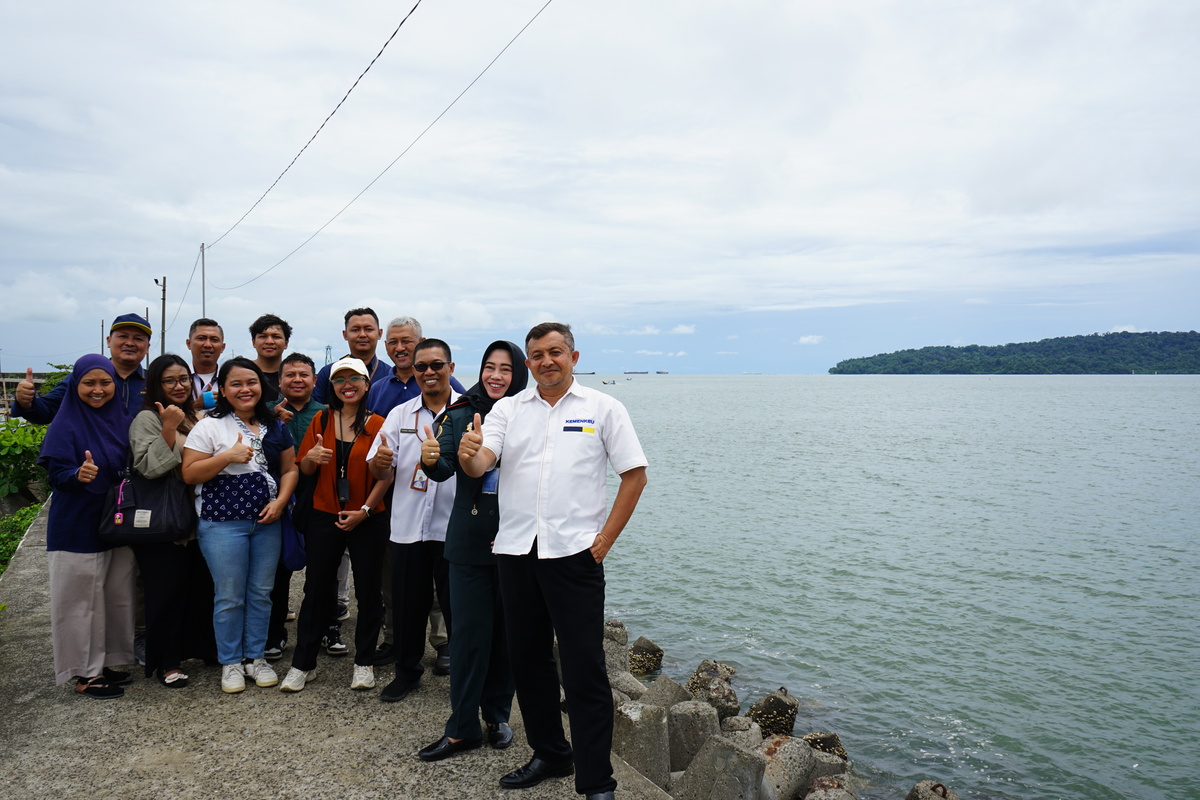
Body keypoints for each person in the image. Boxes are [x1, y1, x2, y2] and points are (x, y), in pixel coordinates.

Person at [459, 323, 648, 800]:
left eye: (555, 352)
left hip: (574, 556)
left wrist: (605, 539)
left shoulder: (603, 408)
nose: (547, 361)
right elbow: (483, 462)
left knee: (585, 670)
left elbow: (635, 475)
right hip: (515, 552)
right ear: (529, 363)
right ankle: (551, 753)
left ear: (573, 357)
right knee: (528, 661)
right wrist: (468, 455)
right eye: (537, 355)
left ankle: (597, 781)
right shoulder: (508, 409)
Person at [418, 341, 528, 762]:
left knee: (507, 637)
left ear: (518, 374)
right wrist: (431, 459)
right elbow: (443, 467)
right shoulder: (461, 412)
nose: (496, 376)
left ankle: (498, 716)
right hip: (468, 541)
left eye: (505, 368)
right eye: (489, 367)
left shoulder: (531, 415)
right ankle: (462, 727)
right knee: (467, 638)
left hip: (518, 541)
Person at [182, 357, 298, 693]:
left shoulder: (275, 425)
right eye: (236, 384)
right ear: (222, 389)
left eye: (251, 382)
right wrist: (226, 457)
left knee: (261, 593)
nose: (245, 389)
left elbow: (290, 469)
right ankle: (231, 662)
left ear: (262, 386)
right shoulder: (209, 426)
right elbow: (189, 473)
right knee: (230, 595)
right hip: (221, 525)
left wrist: (280, 502)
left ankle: (255, 657)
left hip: (266, 522)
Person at [280, 358, 392, 692]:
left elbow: (387, 475)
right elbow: (305, 469)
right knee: (316, 588)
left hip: (367, 516)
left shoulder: (379, 424)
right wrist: (311, 459)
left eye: (354, 378)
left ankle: (364, 661)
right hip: (324, 513)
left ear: (366, 384)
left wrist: (365, 511)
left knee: (368, 590)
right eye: (340, 379)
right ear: (332, 386)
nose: (347, 385)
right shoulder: (322, 419)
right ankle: (303, 664)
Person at [365, 316, 464, 671]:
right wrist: (380, 462)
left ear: (451, 367)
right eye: (422, 367)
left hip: (453, 527)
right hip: (408, 525)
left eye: (437, 365)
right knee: (407, 603)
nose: (429, 372)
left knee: (455, 605)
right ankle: (407, 671)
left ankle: (458, 669)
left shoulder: (469, 412)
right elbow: (379, 469)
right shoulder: (397, 412)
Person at [38, 355, 137, 699]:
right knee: (79, 602)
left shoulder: (121, 419)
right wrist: (76, 475)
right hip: (76, 525)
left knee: (114, 597)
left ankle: (104, 662)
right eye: (89, 383)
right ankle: (84, 674)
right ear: (75, 385)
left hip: (117, 521)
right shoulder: (64, 424)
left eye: (105, 382)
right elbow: (55, 476)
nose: (98, 390)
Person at [127, 354, 216, 688]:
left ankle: (204, 650)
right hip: (163, 524)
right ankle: (167, 662)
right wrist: (167, 428)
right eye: (169, 380)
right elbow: (148, 467)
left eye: (183, 379)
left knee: (199, 589)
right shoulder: (147, 418)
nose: (178, 386)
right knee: (165, 594)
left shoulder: (196, 416)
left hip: (196, 519)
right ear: (155, 384)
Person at [264, 351, 331, 662]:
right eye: (290, 375)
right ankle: (275, 632)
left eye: (304, 375)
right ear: (279, 381)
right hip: (278, 498)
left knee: (322, 569)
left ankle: (327, 627)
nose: (297, 380)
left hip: (318, 497)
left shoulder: (327, 413)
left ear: (315, 381)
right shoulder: (265, 412)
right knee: (278, 570)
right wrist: (272, 420)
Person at [14, 313, 152, 423]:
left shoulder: (155, 381)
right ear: (109, 341)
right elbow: (46, 411)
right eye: (123, 336)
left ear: (147, 347)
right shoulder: (82, 378)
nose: (129, 343)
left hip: (141, 451)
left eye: (138, 339)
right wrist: (26, 402)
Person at [311, 308, 390, 405]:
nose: (362, 335)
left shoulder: (390, 375)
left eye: (368, 329)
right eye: (355, 330)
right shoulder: (327, 373)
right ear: (345, 335)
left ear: (379, 333)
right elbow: (314, 408)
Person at [248, 314, 292, 403]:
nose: (269, 341)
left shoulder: (294, 376)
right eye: (263, 336)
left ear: (286, 343)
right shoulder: (243, 372)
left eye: (276, 337)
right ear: (253, 342)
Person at [185, 318, 226, 402]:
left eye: (214, 340)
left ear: (222, 347)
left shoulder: (229, 379)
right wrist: (196, 406)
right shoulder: (177, 380)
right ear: (189, 344)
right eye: (201, 338)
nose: (208, 345)